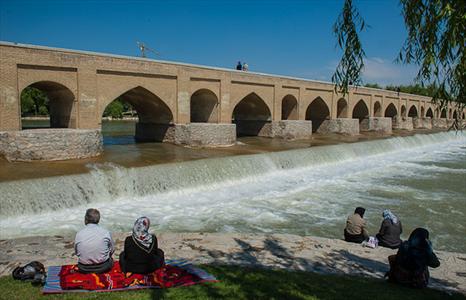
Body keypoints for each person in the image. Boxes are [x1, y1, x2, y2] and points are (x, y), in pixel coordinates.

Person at [74, 208, 115, 274]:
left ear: (86, 220)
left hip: (84, 268)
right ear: (98, 220)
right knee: (111, 259)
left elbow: (77, 252)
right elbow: (112, 249)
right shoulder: (106, 232)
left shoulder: (79, 234)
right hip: (103, 267)